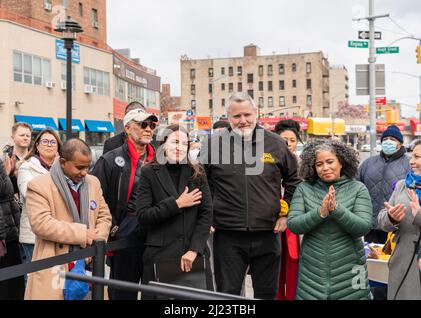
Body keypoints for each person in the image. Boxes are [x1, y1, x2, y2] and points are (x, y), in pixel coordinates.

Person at [202, 92, 300, 299]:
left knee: (266, 293)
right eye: (237, 116)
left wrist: (286, 214)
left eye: (247, 114)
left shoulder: (275, 144)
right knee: (228, 295)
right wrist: (207, 216)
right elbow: (202, 185)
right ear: (228, 117)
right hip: (227, 235)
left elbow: (294, 181)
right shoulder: (212, 145)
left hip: (268, 233)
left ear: (256, 113)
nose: (243, 121)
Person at [23, 139, 111, 300]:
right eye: (79, 167)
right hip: (55, 263)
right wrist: (83, 234)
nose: (85, 172)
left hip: (90, 262)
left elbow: (104, 216)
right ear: (63, 162)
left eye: (88, 166)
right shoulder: (39, 186)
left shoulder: (93, 183)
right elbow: (41, 224)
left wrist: (98, 238)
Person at [287, 140, 373, 300]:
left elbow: (363, 227)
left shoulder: (358, 188)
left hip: (352, 268)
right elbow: (294, 225)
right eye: (319, 164)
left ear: (342, 162)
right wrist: (320, 212)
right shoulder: (304, 189)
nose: (325, 168)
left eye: (330, 161)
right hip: (312, 271)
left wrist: (336, 210)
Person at [137, 124, 213, 299]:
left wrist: (194, 249)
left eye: (184, 144)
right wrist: (176, 204)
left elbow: (206, 213)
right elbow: (143, 215)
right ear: (163, 144)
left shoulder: (197, 172)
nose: (179, 148)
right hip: (160, 256)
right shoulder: (149, 172)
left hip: (193, 255)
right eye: (175, 142)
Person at [91, 108, 158, 300]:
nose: (148, 129)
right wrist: (111, 227)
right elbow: (95, 197)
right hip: (125, 232)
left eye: (152, 125)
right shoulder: (110, 160)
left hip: (156, 233)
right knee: (122, 292)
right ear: (127, 128)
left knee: (154, 292)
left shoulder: (162, 159)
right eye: (143, 124)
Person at [377, 139, 421, 300]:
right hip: (403, 261)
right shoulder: (402, 185)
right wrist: (391, 218)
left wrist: (419, 215)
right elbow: (382, 220)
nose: (412, 161)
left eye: (417, 157)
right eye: (412, 156)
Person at [357, 125, 410, 244]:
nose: (388, 142)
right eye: (385, 139)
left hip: (396, 224)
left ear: (400, 143)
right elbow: (356, 186)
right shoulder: (368, 163)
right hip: (370, 224)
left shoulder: (409, 164)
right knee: (372, 258)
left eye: (392, 139)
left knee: (393, 259)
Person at [17, 129, 62, 265]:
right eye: (45, 141)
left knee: (56, 279)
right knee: (34, 280)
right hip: (33, 235)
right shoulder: (27, 167)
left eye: (53, 142)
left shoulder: (63, 168)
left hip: (59, 232)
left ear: (58, 147)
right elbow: (30, 195)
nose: (49, 145)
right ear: (37, 145)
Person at [274, 119, 303, 300]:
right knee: (274, 273)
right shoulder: (266, 163)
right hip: (272, 226)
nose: (288, 144)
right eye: (284, 140)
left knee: (294, 275)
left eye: (292, 140)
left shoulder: (306, 166)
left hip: (296, 229)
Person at [0, 158, 25, 300]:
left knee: (14, 281)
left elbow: (9, 191)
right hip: (4, 233)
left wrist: (10, 175)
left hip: (10, 229)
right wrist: (7, 172)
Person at [2, 122, 32, 195]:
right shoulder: (3, 160)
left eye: (28, 136)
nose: (25, 138)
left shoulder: (35, 160)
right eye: (22, 135)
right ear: (13, 137)